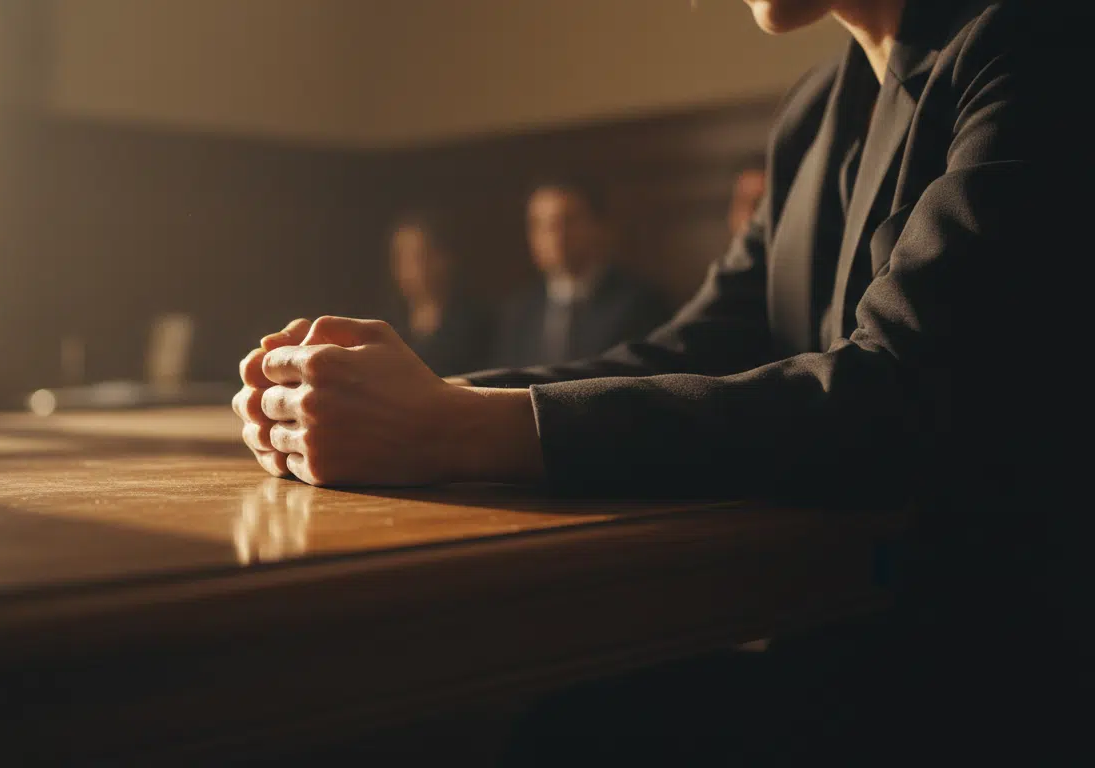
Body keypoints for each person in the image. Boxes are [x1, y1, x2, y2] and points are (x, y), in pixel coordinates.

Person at [235, 0, 1083, 760]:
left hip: (984, 669)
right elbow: (692, 348)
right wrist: (412, 393)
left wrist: (453, 425)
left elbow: (890, 397)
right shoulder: (817, 111)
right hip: (829, 625)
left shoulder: (1035, 42)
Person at [488, 177, 665, 368]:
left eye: (568, 221)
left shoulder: (640, 305)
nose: (555, 236)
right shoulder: (518, 312)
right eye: (540, 225)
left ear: (597, 226)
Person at [384, 212, 489, 377]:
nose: (407, 268)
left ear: (443, 259)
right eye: (400, 257)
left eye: (418, 256)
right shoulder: (389, 328)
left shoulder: (476, 327)